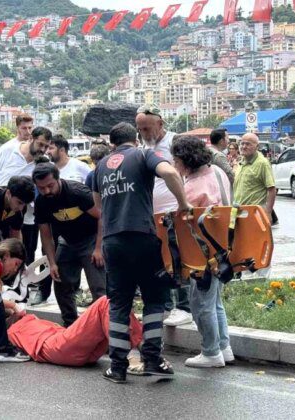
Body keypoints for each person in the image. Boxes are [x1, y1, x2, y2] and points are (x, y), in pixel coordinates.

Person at [92, 122, 191, 383]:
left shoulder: (100, 166)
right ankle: (152, 359)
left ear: (112, 143)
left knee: (120, 304)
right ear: (135, 139)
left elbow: (98, 209)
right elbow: (169, 172)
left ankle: (117, 366)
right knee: (154, 299)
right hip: (143, 238)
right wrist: (183, 204)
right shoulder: (144, 154)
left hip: (113, 243)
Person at [170, 135, 234, 368]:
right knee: (215, 302)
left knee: (200, 304)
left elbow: (182, 219)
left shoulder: (194, 186)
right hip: (222, 249)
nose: (174, 165)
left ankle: (210, 352)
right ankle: (223, 347)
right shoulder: (217, 172)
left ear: (185, 160)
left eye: (176, 160)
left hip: (202, 253)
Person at [135, 105, 191, 328]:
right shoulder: (142, 147)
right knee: (160, 260)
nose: (144, 133)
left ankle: (184, 306)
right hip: (152, 214)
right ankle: (166, 305)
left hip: (175, 212)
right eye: (140, 129)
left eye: (147, 128)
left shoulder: (175, 142)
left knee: (179, 258)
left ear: (160, 124)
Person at [33, 163, 106, 327]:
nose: (47, 191)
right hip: (67, 242)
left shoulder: (77, 192)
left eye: (50, 186)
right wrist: (51, 263)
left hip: (91, 239)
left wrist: (99, 248)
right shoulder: (41, 201)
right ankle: (71, 325)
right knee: (61, 282)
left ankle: (103, 328)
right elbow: (46, 235)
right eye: (41, 188)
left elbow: (102, 217)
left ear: (58, 178)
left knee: (98, 287)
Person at [0, 126, 50, 303]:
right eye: (40, 144)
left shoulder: (42, 163)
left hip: (28, 218)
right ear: (31, 138)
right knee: (0, 254)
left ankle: (21, 292)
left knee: (24, 255)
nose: (42, 149)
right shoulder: (8, 150)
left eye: (46, 146)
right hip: (1, 215)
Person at [8, 296, 142, 366]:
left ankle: (136, 351)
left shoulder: (27, 320)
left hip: (70, 347)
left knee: (114, 303)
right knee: (105, 302)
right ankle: (143, 349)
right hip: (57, 346)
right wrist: (12, 307)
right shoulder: (12, 331)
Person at [233, 133, 276, 219]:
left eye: (248, 144)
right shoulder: (242, 161)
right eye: (242, 143)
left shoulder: (262, 163)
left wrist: (268, 212)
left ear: (257, 146)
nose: (244, 146)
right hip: (238, 212)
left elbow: (272, 189)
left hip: (254, 213)